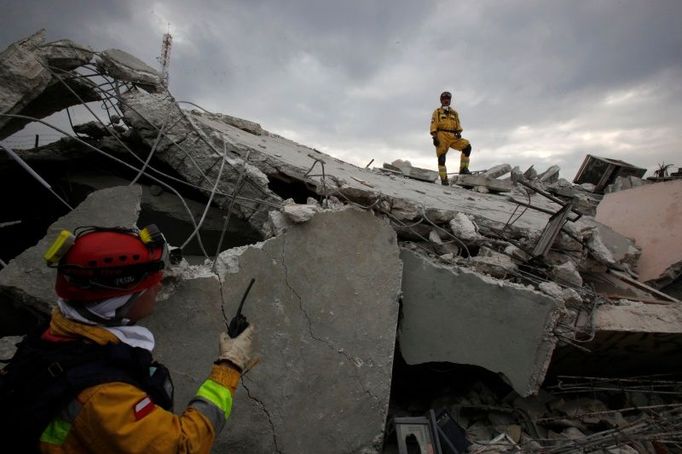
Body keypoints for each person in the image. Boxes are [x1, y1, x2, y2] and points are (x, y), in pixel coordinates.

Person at [0, 225, 257, 453]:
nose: (157, 287)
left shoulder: (57, 332)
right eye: (150, 284)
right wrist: (229, 367)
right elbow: (182, 446)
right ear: (121, 301)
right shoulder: (105, 395)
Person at [430, 91, 473, 185]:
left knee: (467, 146)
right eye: (444, 99)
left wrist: (458, 133)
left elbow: (458, 125)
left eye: (448, 99)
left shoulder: (454, 113)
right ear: (441, 100)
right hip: (441, 135)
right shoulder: (437, 112)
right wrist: (434, 137)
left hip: (453, 136)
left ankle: (463, 168)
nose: (446, 100)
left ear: (450, 100)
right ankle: (444, 179)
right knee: (441, 157)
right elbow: (434, 124)